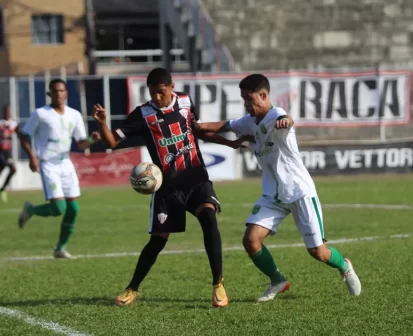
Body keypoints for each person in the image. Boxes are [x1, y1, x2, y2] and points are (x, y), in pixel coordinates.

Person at [194, 74, 362, 302]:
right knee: (251, 240)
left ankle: (345, 265)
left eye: (248, 98)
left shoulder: (277, 116)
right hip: (273, 194)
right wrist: (195, 125)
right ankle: (277, 280)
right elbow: (219, 126)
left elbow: (287, 119)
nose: (246, 103)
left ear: (263, 96)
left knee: (318, 252)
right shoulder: (248, 120)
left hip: (299, 192)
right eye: (243, 99)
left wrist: (287, 121)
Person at [92, 67, 248, 308]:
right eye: (152, 93)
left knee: (209, 218)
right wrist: (103, 123)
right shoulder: (143, 114)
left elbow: (196, 131)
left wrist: (229, 143)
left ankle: (218, 284)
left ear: (171, 87)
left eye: (160, 92)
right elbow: (111, 142)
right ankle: (132, 288)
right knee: (158, 241)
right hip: (167, 188)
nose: (156, 97)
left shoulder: (185, 102)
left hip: (196, 179)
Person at [17, 79, 101, 259]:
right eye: (54, 91)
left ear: (66, 93)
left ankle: (60, 248)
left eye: (61, 91)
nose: (58, 94)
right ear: (49, 94)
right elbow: (24, 136)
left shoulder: (74, 115)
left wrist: (93, 139)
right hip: (48, 164)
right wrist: (32, 157)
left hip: (66, 163)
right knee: (58, 208)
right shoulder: (40, 114)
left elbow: (80, 142)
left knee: (73, 209)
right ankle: (30, 210)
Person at [0, 105, 19, 203]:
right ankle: (2, 190)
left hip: (8, 153)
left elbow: (19, 133)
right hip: (1, 152)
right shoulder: (1, 123)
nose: (8, 112)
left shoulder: (13, 123)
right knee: (13, 169)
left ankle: (2, 190)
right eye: (6, 110)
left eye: (10, 111)